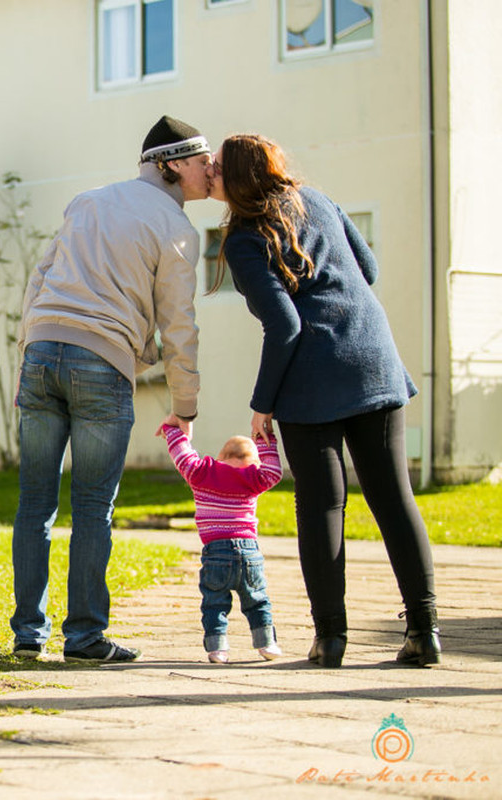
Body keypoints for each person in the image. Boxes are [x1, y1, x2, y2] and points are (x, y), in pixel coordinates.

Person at [210, 133, 439, 668]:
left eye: (219, 165)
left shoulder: (245, 238)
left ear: (239, 176)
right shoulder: (316, 200)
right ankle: (425, 633)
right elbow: (370, 271)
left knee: (321, 506)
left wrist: (262, 404)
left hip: (311, 379)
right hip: (373, 358)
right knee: (393, 499)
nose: (211, 171)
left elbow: (284, 324)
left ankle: (331, 640)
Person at [10, 116, 209, 663]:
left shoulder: (88, 201)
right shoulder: (177, 230)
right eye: (201, 161)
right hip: (101, 363)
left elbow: (39, 277)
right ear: (170, 165)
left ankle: (29, 635)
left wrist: (32, 347)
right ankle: (83, 638)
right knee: (93, 507)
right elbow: (179, 325)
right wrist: (184, 405)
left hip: (42, 352)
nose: (210, 170)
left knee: (35, 504)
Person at [158, 423, 283, 664]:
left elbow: (182, 456)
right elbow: (275, 473)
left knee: (214, 603)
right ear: (253, 463)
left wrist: (172, 430)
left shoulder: (202, 473)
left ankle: (218, 649)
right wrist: (265, 440)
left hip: (216, 553)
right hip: (249, 553)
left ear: (220, 457)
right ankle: (267, 643)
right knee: (257, 600)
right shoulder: (254, 478)